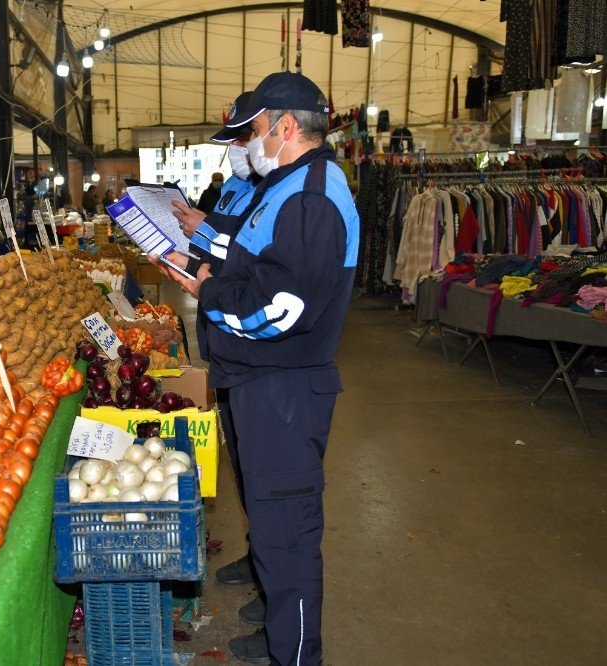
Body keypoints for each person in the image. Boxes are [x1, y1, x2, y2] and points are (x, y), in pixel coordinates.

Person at [156, 72, 359, 664]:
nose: (249, 142)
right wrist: (205, 259)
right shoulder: (288, 185)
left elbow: (279, 308)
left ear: (286, 126)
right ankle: (281, 638)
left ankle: (295, 655)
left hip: (285, 390)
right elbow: (253, 255)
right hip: (262, 382)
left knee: (288, 541)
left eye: (255, 130)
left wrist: (205, 290)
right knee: (272, 534)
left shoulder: (311, 198)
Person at [170, 91, 264, 611]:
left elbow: (247, 259)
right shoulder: (231, 187)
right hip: (221, 334)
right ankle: (258, 554)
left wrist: (201, 232)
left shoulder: (274, 193)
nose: (234, 150)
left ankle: (269, 566)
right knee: (243, 462)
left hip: (247, 336)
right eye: (230, 140)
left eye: (242, 138)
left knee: (261, 468)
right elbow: (215, 244)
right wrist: (187, 235)